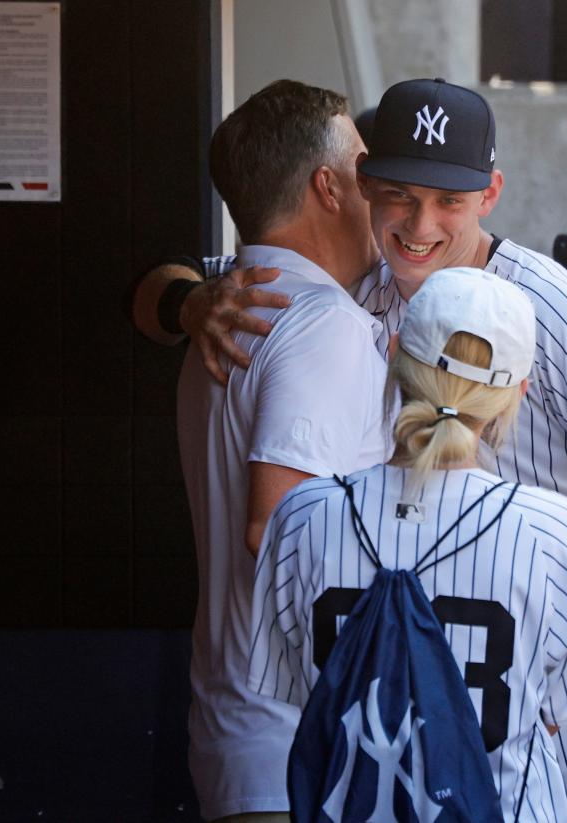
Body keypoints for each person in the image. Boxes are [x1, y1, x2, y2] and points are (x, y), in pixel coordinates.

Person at [132, 77, 567, 822]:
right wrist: (189, 301)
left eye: (449, 199)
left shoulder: (554, 308)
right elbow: (157, 281)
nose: (420, 223)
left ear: (491, 192)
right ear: (364, 186)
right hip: (432, 672)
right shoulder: (351, 284)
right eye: (400, 196)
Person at [249, 267, 567, 821]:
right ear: (516, 395)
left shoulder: (303, 513)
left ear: (393, 354)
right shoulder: (556, 530)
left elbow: (288, 690)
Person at [178, 80, 390, 821]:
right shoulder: (317, 322)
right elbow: (277, 527)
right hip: (299, 750)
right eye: (367, 169)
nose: (383, 191)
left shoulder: (228, 310)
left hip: (251, 740)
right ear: (328, 187)